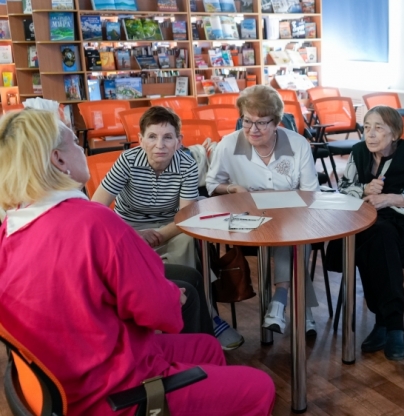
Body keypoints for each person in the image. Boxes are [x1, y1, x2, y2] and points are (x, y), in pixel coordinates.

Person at [0, 108, 275, 415]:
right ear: (59, 160)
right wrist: (171, 295)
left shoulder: (10, 227)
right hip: (110, 390)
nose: (82, 148)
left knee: (206, 346)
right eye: (75, 143)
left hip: (69, 370)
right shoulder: (95, 222)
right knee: (261, 387)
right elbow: (161, 312)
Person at [91, 106, 243, 350]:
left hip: (171, 225)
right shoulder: (128, 161)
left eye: (167, 137)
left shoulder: (187, 164)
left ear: (178, 141)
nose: (159, 145)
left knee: (188, 239)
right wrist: (133, 236)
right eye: (152, 136)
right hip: (127, 226)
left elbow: (186, 216)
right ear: (141, 140)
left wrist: (159, 235)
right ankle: (175, 315)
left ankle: (190, 317)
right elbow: (96, 209)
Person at [206, 85, 321, 335]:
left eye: (261, 122)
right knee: (291, 237)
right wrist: (233, 188)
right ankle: (301, 311)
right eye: (247, 121)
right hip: (248, 221)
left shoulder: (298, 144)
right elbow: (212, 184)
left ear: (277, 122)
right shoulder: (228, 145)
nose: (252, 129)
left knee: (291, 235)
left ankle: (278, 303)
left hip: (292, 219)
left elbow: (311, 193)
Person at [336, 106, 404, 361]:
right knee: (375, 239)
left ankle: (385, 323)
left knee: (375, 240)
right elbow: (342, 188)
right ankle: (392, 325)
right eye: (367, 127)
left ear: (394, 133)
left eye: (378, 128)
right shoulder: (359, 152)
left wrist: (390, 198)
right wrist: (364, 189)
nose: (370, 134)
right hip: (370, 224)